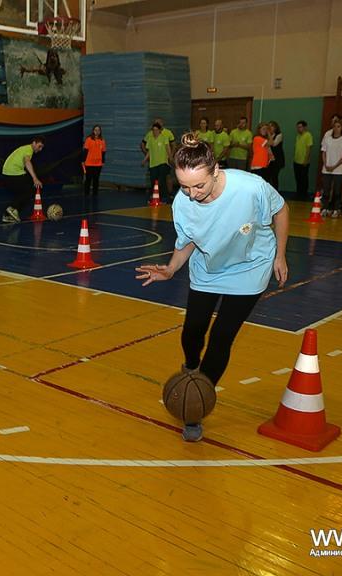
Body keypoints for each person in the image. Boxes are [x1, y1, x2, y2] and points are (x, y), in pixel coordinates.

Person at [134, 133, 289, 442]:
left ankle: (197, 405)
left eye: (198, 186)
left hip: (250, 268)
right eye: (184, 186)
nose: (192, 194)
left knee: (221, 338)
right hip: (208, 266)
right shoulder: (183, 203)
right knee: (193, 330)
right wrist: (172, 268)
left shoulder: (250, 188)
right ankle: (191, 367)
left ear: (216, 170)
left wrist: (280, 255)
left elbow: (281, 211)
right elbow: (189, 240)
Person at [1, 136, 45, 223]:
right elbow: (27, 161)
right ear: (34, 143)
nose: (40, 149)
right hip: (13, 173)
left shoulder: (24, 148)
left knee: (23, 192)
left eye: (42, 147)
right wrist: (35, 178)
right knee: (30, 190)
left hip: (6, 174)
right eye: (39, 146)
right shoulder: (29, 149)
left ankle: (7, 216)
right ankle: (12, 208)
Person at [320, 120, 342, 217]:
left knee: (337, 190)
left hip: (338, 170)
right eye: (335, 126)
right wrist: (325, 164)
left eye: (338, 126)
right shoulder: (327, 139)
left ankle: (336, 209)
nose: (336, 128)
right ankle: (325, 208)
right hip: (327, 168)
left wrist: (335, 166)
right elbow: (324, 152)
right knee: (326, 189)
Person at [142, 123, 172, 201]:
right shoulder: (150, 139)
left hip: (162, 163)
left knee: (161, 181)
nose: (155, 131)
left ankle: (165, 197)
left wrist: (170, 158)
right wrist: (144, 160)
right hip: (153, 164)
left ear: (159, 130)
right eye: (153, 130)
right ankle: (155, 197)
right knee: (153, 181)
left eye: (156, 130)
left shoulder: (164, 138)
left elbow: (168, 149)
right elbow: (149, 151)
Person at [82, 125, 105, 196]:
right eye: (95, 130)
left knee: (96, 180)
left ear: (100, 131)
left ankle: (95, 194)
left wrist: (103, 161)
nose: (97, 131)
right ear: (93, 131)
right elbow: (85, 151)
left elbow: (103, 152)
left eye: (98, 130)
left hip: (98, 164)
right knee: (88, 180)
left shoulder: (102, 140)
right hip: (89, 163)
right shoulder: (88, 139)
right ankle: (86, 194)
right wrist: (83, 160)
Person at [293, 120, 313, 199]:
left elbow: (309, 149)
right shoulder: (298, 136)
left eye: (300, 127)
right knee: (298, 179)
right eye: (297, 127)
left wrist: (306, 160)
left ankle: (304, 195)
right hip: (296, 161)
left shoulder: (308, 135)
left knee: (304, 179)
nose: (298, 129)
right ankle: (298, 194)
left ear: (304, 127)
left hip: (304, 162)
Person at [266, 121, 285, 192]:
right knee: (268, 176)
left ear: (276, 127)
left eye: (272, 126)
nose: (270, 127)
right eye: (269, 126)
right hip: (270, 159)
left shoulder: (279, 135)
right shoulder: (267, 136)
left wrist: (268, 134)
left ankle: (275, 192)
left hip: (277, 159)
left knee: (274, 176)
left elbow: (273, 144)